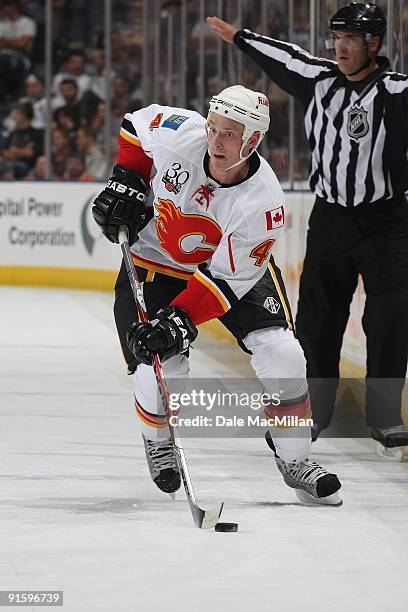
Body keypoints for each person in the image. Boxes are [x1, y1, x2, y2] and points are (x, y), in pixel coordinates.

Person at [92, 84, 342, 505]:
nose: (215, 140)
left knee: (283, 354)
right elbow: (136, 125)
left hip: (230, 274)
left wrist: (179, 320)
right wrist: (128, 179)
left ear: (254, 139)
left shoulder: (263, 203)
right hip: (156, 258)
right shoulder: (182, 133)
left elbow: (225, 283)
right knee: (159, 367)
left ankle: (295, 458)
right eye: (213, 128)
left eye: (229, 134)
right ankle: (159, 440)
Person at [207, 3, 408, 459]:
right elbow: (282, 56)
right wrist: (240, 37)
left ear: (374, 44)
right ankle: (312, 414)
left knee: (391, 318)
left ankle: (384, 417)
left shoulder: (396, 91)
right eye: (336, 37)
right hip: (331, 219)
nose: (339, 46)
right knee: (317, 318)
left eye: (350, 39)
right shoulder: (319, 79)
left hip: (387, 222)